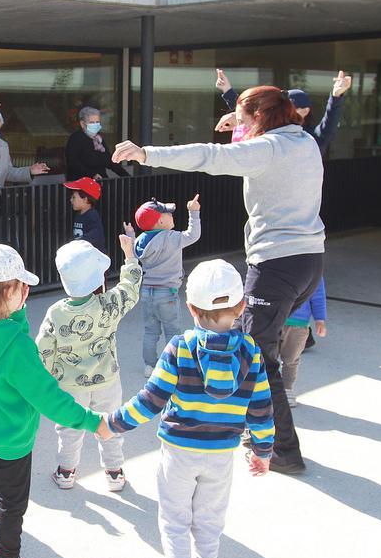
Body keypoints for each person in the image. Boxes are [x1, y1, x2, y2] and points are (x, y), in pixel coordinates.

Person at [113, 85, 324, 475]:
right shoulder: (304, 142)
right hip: (310, 260)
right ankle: (251, 427)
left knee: (257, 355)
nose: (238, 127)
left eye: (243, 121)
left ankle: (282, 451)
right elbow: (259, 151)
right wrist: (241, 127)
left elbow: (213, 156)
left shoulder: (268, 149)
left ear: (260, 118)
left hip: (276, 263)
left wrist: (147, 154)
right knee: (250, 343)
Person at [105, 259, 273, 558]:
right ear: (242, 307)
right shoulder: (251, 352)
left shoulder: (180, 347)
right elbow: (262, 409)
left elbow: (150, 400)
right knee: (210, 519)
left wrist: (114, 424)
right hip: (221, 454)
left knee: (175, 517)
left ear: (191, 308)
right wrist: (263, 451)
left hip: (178, 452)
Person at [0, 244, 110, 558]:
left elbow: (6, 332)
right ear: (9, 291)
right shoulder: (17, 349)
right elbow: (48, 398)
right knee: (12, 503)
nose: (28, 292)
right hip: (13, 440)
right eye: (23, 287)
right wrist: (90, 420)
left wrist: (15, 313)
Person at [37, 237, 143, 493]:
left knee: (70, 428)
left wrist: (50, 376)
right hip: (108, 380)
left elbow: (44, 348)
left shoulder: (56, 312)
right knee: (111, 425)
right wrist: (130, 255)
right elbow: (130, 288)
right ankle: (114, 472)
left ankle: (66, 472)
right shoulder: (109, 305)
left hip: (71, 386)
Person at [123, 196, 202, 378]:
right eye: (167, 214)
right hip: (167, 293)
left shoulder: (142, 240)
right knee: (173, 332)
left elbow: (133, 251)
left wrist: (130, 235)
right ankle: (173, 366)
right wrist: (194, 212)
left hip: (147, 293)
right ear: (160, 220)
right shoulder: (172, 238)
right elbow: (193, 235)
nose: (171, 215)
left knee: (151, 331)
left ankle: (149, 366)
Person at [215, 68, 353, 154]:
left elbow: (330, 122)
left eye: (289, 106)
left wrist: (336, 96)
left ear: (305, 111)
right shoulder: (271, 129)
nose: (282, 109)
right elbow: (248, 111)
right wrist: (227, 90)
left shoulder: (311, 139)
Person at [280, 278, 327, 407]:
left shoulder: (312, 268)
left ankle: (287, 389)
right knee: (266, 358)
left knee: (291, 359)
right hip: (274, 318)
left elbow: (318, 294)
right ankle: (265, 389)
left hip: (299, 323)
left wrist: (320, 319)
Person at [64, 106, 129, 182]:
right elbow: (73, 162)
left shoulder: (98, 138)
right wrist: (92, 174)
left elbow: (108, 160)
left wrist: (126, 176)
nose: (95, 124)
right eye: (92, 122)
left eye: (97, 122)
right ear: (82, 123)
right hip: (81, 183)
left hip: (101, 181)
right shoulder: (76, 138)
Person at [64, 177, 106, 254]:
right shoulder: (79, 215)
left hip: (93, 258)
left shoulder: (92, 215)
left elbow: (96, 235)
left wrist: (77, 242)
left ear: (85, 199)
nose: (71, 200)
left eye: (74, 197)